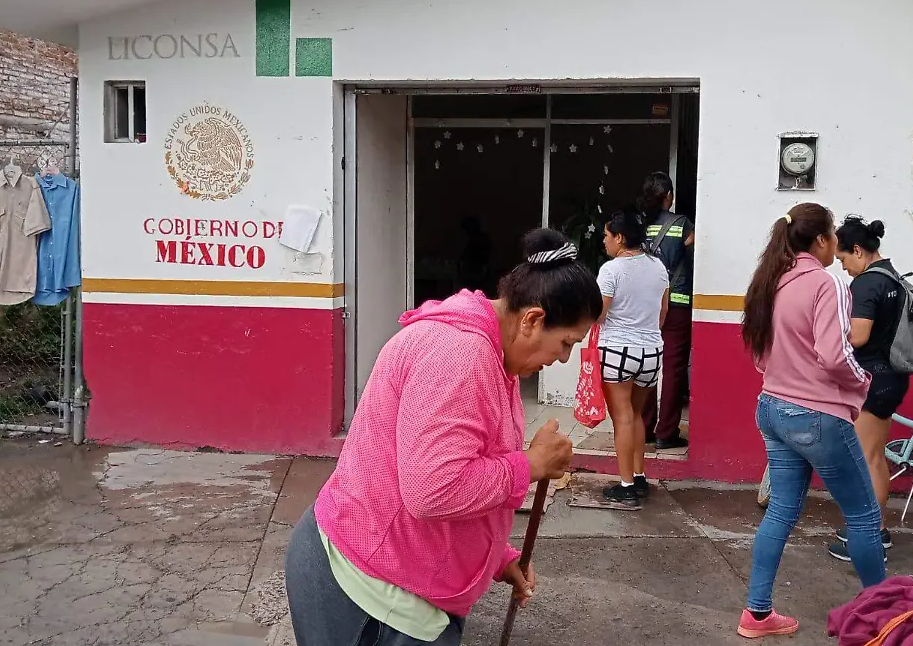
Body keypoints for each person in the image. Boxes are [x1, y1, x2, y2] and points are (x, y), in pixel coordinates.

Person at [284, 228, 602, 646]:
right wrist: (532, 464)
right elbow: (432, 490)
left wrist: (496, 558)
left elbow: (465, 461)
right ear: (532, 319)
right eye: (565, 343)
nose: (560, 358)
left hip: (396, 580)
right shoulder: (459, 356)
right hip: (370, 591)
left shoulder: (491, 354)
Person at [737, 203, 885, 639]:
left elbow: (761, 354)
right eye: (834, 235)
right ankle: (886, 616)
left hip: (772, 408)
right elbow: (835, 355)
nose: (837, 243)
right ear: (821, 240)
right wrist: (862, 380)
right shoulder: (828, 283)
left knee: (781, 510)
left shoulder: (771, 281)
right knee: (863, 517)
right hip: (817, 416)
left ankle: (757, 614)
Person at [828, 216, 908, 562]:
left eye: (844, 259)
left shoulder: (866, 284)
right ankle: (876, 529)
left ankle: (869, 534)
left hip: (872, 379)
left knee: (866, 459)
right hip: (891, 376)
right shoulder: (895, 278)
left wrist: (826, 336)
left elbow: (858, 335)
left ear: (858, 251)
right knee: (874, 456)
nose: (845, 268)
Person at [596, 210, 671, 508]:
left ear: (620, 238)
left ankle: (626, 485)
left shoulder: (611, 271)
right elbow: (663, 313)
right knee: (637, 415)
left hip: (617, 350)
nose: (604, 241)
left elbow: (600, 313)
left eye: (607, 235)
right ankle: (639, 476)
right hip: (651, 350)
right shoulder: (659, 267)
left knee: (622, 418)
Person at [637, 171, 694, 450]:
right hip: (676, 303)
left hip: (645, 305)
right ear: (669, 196)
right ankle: (666, 433)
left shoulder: (638, 226)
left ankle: (645, 427)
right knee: (672, 368)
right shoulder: (682, 225)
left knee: (647, 364)